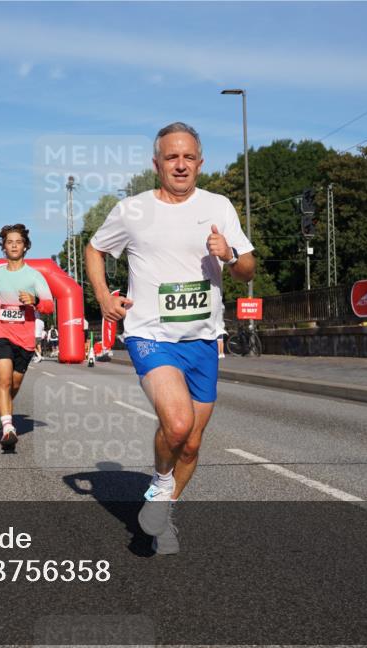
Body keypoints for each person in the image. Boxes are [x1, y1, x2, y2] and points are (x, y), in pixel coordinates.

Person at [85, 122, 256, 555]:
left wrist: (230, 255)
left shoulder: (218, 206)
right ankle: (161, 484)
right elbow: (94, 249)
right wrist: (104, 297)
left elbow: (248, 269)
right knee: (177, 425)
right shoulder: (132, 210)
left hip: (203, 338)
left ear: (200, 162)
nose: (180, 165)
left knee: (192, 442)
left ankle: (163, 513)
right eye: (171, 157)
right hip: (150, 334)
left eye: (188, 157)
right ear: (157, 163)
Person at [0, 224, 54, 451]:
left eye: (18, 242)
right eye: (9, 241)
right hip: (1, 332)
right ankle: (8, 427)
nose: (13, 245)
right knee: (4, 380)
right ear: (3, 246)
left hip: (25, 337)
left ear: (25, 246)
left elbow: (49, 305)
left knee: (15, 383)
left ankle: (2, 410)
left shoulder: (34, 276)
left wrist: (35, 300)